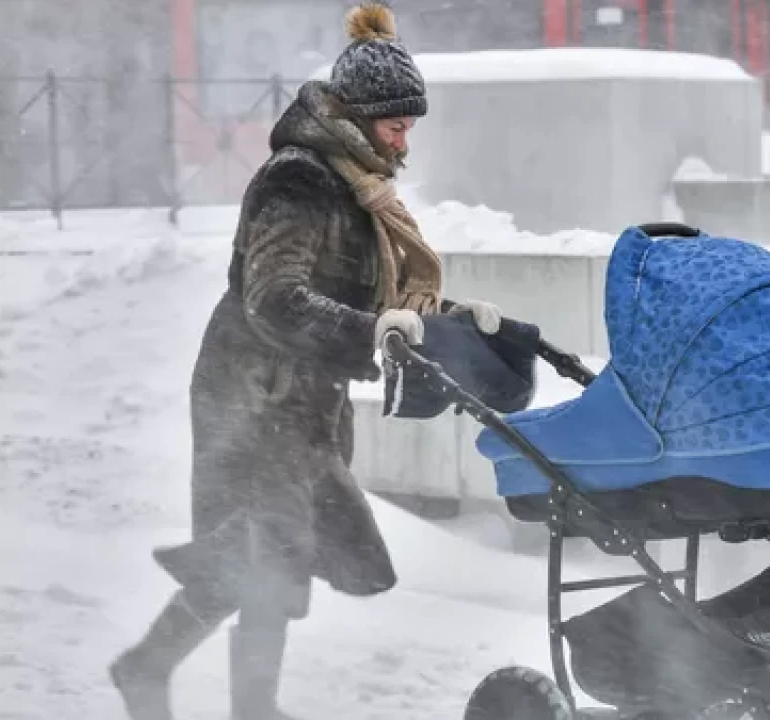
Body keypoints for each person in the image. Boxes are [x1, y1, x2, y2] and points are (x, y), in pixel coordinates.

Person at [107, 3, 501, 720]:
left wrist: (451, 321)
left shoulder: (353, 184)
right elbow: (274, 299)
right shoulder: (302, 180)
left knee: (277, 557)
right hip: (254, 392)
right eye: (397, 125)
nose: (404, 141)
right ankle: (150, 670)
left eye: (409, 128)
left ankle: (246, 701)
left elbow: (366, 292)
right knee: (253, 552)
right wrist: (373, 332)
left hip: (300, 394)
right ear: (359, 114)